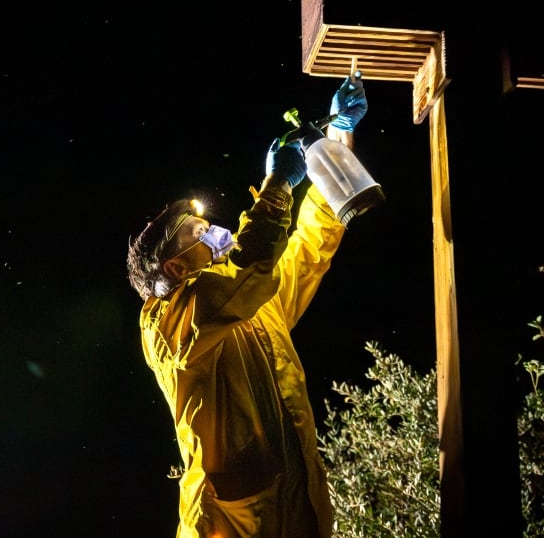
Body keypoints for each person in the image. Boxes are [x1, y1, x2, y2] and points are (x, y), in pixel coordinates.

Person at [126, 75, 369, 538]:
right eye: (200, 233)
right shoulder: (167, 324)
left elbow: (311, 244)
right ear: (175, 267)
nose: (218, 234)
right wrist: (277, 184)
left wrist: (337, 140)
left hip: (299, 515)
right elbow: (247, 266)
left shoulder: (253, 304)